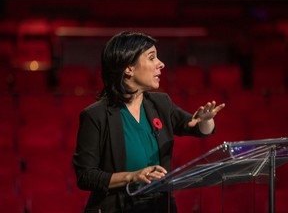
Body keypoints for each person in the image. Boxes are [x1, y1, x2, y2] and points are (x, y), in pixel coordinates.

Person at [73, 31, 225, 213]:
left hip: (159, 206)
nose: (161, 64)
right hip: (117, 207)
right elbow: (86, 176)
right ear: (128, 67)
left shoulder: (161, 103)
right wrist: (132, 176)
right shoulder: (96, 115)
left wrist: (206, 120)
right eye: (152, 58)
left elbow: (198, 128)